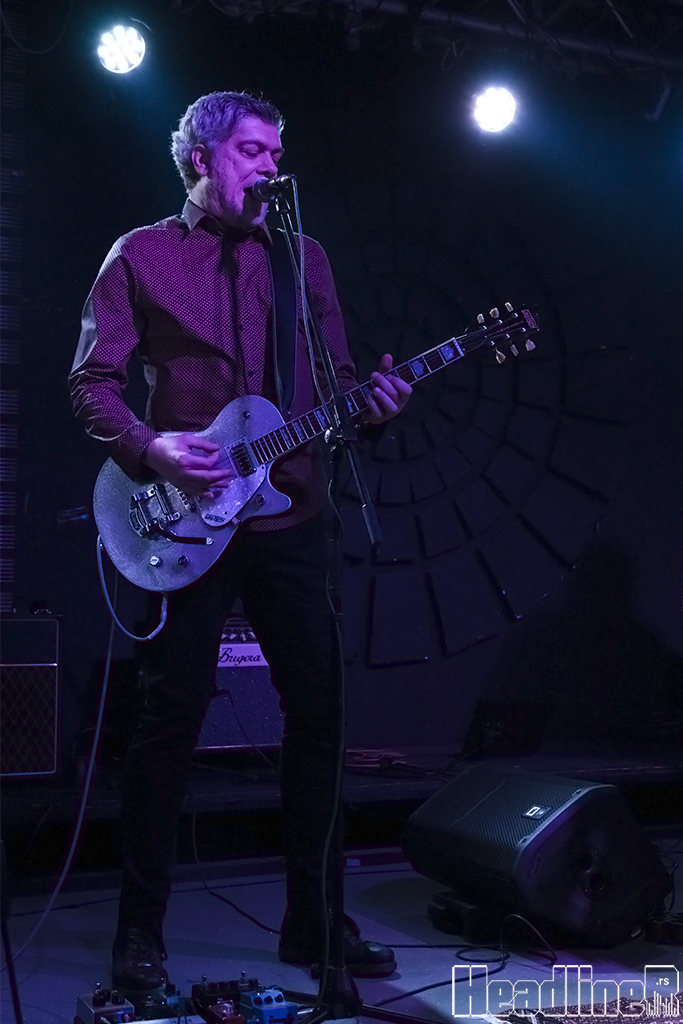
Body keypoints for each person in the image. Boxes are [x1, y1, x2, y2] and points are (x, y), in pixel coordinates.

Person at [69, 91, 411, 993]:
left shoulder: (303, 258)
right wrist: (151, 448)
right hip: (184, 520)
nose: (271, 166)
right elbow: (91, 382)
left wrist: (372, 409)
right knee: (167, 724)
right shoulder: (142, 254)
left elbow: (334, 387)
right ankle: (139, 937)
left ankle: (315, 924)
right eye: (254, 151)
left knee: (321, 722)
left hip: (294, 515)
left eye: (276, 153)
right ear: (201, 159)